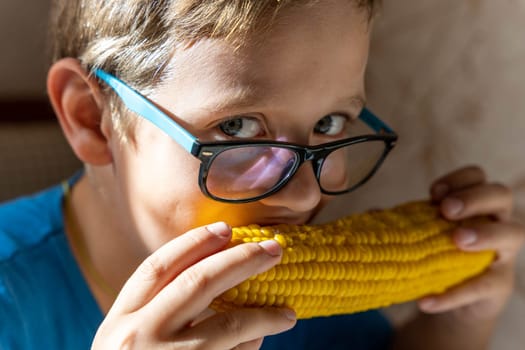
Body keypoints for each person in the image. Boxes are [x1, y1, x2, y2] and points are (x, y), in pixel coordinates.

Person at [0, 0, 523, 349]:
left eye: (329, 122)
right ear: (91, 120)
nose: (305, 195)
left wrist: (456, 322)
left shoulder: (301, 299)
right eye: (238, 127)